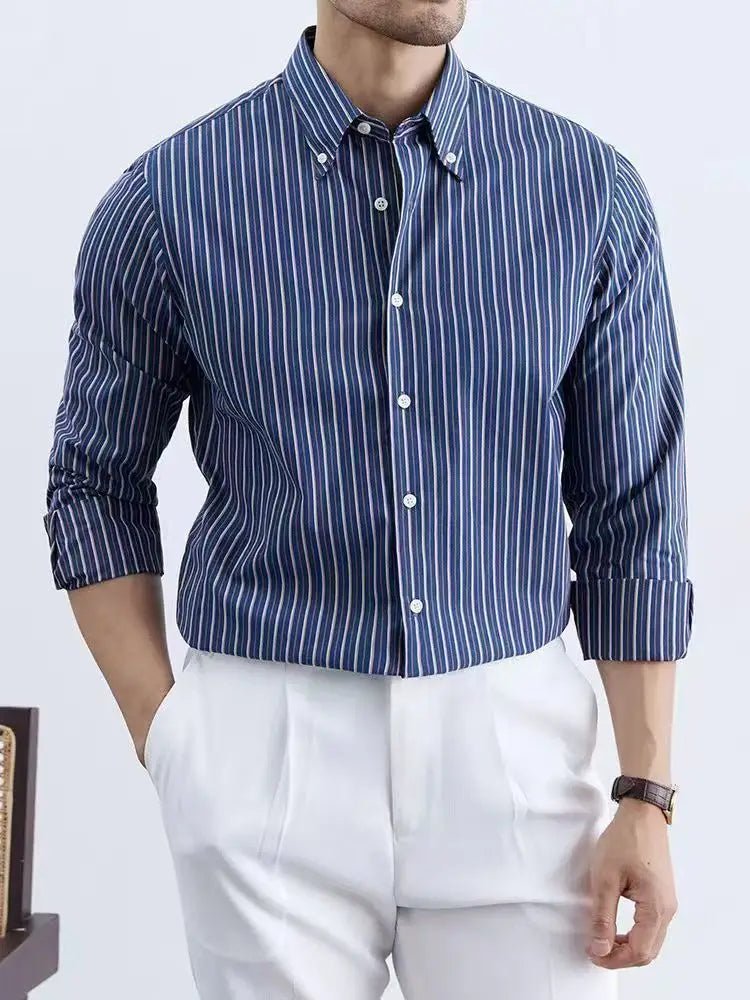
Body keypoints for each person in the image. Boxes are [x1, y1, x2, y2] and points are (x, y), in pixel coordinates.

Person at [42, 1, 694, 997]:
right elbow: (94, 482)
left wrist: (646, 790)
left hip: (513, 743)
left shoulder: (587, 193)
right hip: (266, 743)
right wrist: (169, 739)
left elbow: (634, 508)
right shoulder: (170, 199)